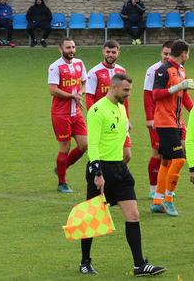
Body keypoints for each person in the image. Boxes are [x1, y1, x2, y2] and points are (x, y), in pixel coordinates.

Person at [80, 73, 166, 277]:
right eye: (126, 90)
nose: (128, 94)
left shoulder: (120, 108)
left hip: (120, 169)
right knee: (92, 219)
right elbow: (92, 144)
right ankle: (85, 262)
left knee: (133, 215)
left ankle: (139, 265)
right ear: (114, 87)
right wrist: (97, 173)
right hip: (102, 170)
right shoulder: (97, 110)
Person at [143, 41, 193, 198]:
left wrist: (193, 110)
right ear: (183, 53)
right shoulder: (162, 70)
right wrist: (177, 87)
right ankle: (168, 197)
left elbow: (184, 95)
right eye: (188, 53)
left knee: (167, 160)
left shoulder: (181, 70)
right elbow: (155, 94)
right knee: (179, 159)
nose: (188, 56)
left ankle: (158, 198)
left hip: (177, 122)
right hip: (165, 122)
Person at [48, 38, 88, 193]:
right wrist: (72, 97)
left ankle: (61, 168)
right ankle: (62, 182)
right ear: (60, 49)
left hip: (76, 112)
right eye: (68, 47)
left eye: (73, 47)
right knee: (65, 147)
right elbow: (53, 89)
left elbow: (85, 83)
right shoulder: (55, 67)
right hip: (61, 113)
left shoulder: (79, 63)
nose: (71, 50)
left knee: (84, 145)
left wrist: (80, 92)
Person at [85, 40, 128, 163]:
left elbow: (125, 97)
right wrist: (92, 116)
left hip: (119, 117)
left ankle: (117, 174)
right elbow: (89, 97)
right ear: (103, 51)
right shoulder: (94, 72)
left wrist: (127, 118)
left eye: (113, 52)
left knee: (127, 154)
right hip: (102, 117)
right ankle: (99, 174)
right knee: (102, 152)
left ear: (118, 53)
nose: (110, 54)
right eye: (108, 51)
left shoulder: (122, 71)